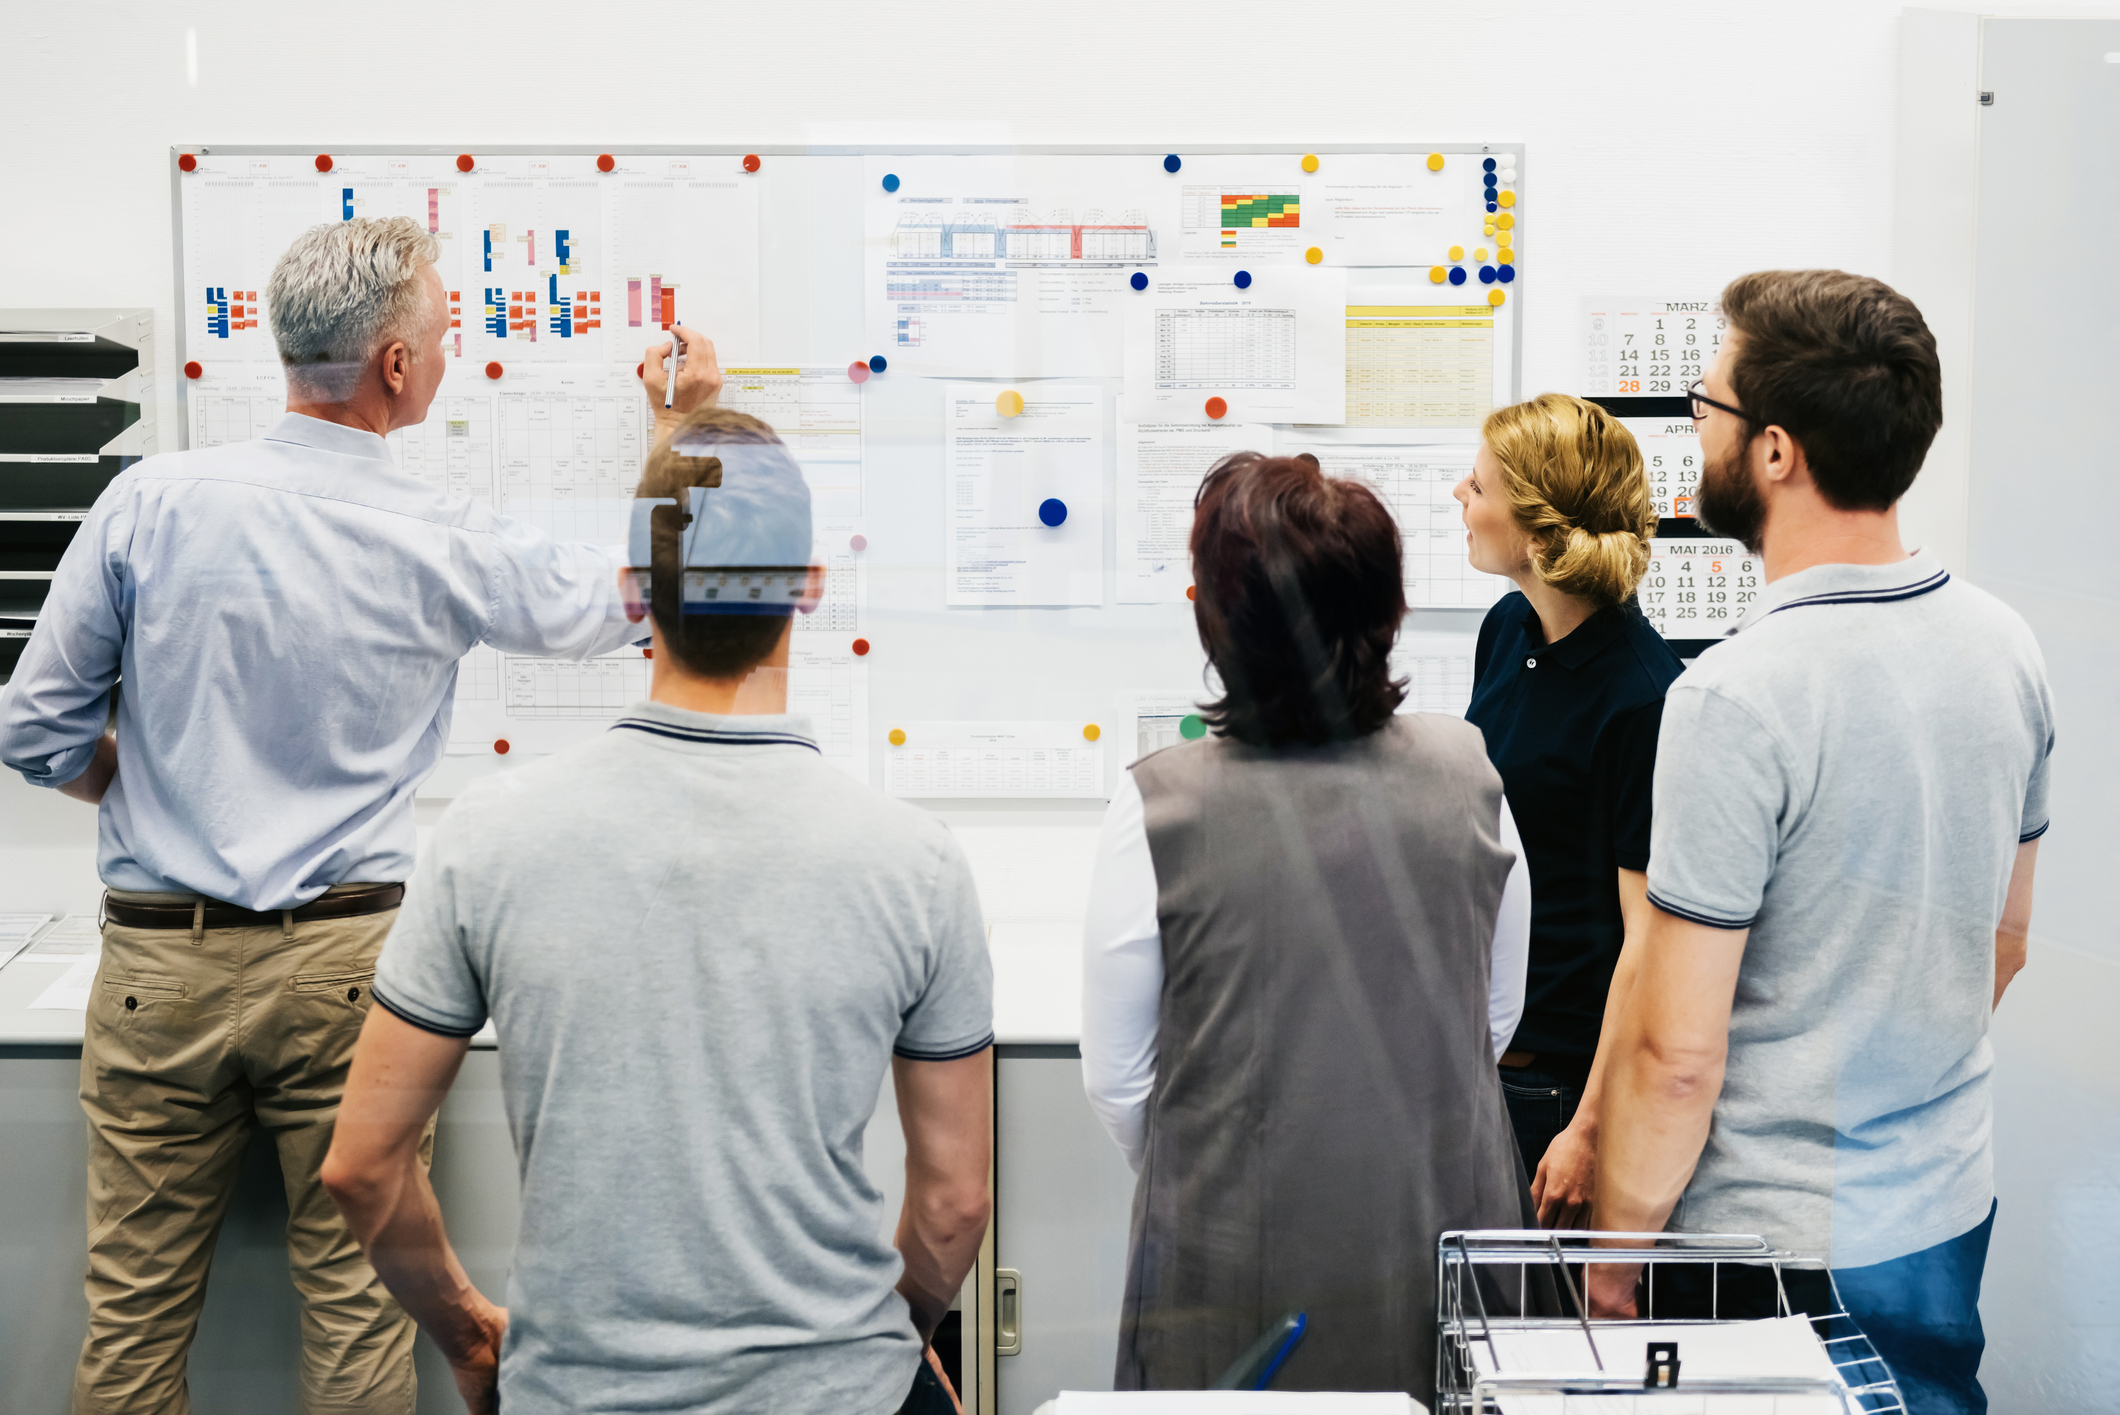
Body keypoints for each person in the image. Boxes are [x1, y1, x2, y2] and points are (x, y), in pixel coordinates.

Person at [0, 216, 718, 1414]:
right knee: (357, 1315)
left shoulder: (146, 503)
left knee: (130, 1317)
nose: (447, 356)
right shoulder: (440, 534)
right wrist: (679, 424)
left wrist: (142, 779)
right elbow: (642, 603)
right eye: (441, 337)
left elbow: (34, 732)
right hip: (348, 967)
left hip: (152, 966)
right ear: (394, 365)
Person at [320, 406, 995, 1415]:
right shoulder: (915, 861)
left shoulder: (489, 837)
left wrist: (467, 1332)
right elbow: (952, 1203)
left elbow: (362, 1164)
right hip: (841, 1387)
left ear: (633, 592)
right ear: (809, 587)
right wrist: (882, 1345)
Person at [1587, 271, 2053, 1415]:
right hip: (1939, 1206)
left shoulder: (1733, 698)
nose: (1692, 431)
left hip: (1766, 1244)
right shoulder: (2005, 648)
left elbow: (1676, 1053)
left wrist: (1612, 1253)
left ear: (1776, 451)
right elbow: (2004, 941)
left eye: (1705, 408)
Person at [1080, 452, 1533, 1395]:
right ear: (1386, 613)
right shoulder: (1469, 774)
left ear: (1214, 615)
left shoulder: (1159, 804)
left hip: (1230, 1265)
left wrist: (1224, 1162)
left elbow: (1122, 1084)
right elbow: (1490, 1019)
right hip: (1442, 1237)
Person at [1454, 394, 1683, 1226]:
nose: (1459, 496)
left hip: (1563, 1085)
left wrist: (1588, 1127)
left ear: (1540, 528)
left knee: (1542, 1339)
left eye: (1478, 486)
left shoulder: (1641, 696)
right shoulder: (1508, 627)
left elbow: (1649, 944)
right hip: (1489, 1057)